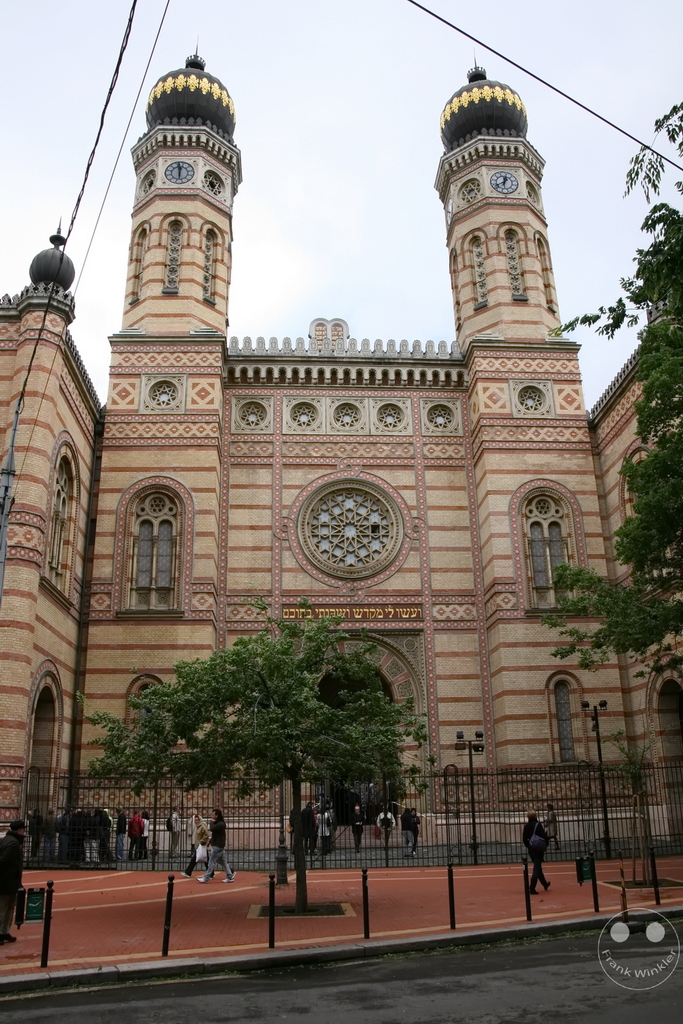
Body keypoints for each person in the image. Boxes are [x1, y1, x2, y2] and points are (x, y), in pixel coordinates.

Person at [0, 820, 25, 945]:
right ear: (19, 830)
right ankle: (2, 932)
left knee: (9, 908)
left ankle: (4, 932)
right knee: (3, 908)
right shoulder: (13, 843)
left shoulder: (7, 839)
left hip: (9, 881)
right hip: (6, 882)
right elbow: (4, 861)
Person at [198, 809, 236, 883]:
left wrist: (211, 822)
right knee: (223, 861)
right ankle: (230, 876)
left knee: (211, 862)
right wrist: (210, 841)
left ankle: (206, 878)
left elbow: (212, 829)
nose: (212, 816)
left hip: (218, 846)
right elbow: (215, 834)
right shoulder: (218, 823)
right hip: (217, 845)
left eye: (213, 815)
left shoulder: (220, 824)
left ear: (217, 816)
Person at [522, 809, 550, 894]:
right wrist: (545, 844)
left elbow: (524, 839)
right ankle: (532, 887)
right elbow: (543, 836)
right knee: (537, 868)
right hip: (538, 848)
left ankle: (545, 884)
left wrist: (529, 845)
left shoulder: (526, 826)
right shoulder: (538, 825)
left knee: (538, 866)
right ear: (535, 816)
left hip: (531, 849)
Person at [182, 813, 210, 877]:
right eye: (195, 820)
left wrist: (202, 842)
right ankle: (211, 872)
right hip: (199, 845)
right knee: (206, 860)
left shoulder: (202, 825)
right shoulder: (198, 826)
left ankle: (188, 872)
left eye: (197, 820)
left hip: (201, 845)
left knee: (195, 859)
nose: (196, 821)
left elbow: (206, 835)